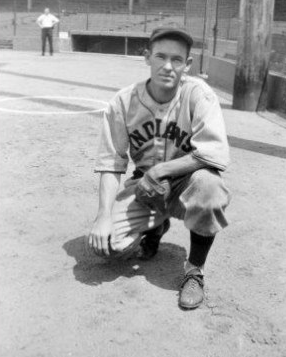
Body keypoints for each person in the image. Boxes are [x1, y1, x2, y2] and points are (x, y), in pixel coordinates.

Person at [89, 26, 231, 309]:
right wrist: (103, 216)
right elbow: (111, 164)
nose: (168, 66)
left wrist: (161, 170)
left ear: (187, 65)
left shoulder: (198, 95)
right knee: (109, 247)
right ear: (147, 57)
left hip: (186, 182)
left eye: (177, 60)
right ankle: (156, 225)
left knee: (210, 187)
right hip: (143, 186)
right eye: (160, 57)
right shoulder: (123, 101)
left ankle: (194, 271)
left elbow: (213, 154)